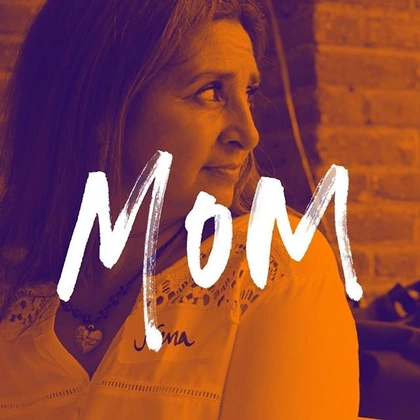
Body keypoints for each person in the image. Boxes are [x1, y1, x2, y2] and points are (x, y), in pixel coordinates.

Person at [0, 0, 360, 418]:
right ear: (99, 107)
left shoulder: (274, 268)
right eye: (210, 92)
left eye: (248, 93)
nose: (248, 133)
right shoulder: (15, 283)